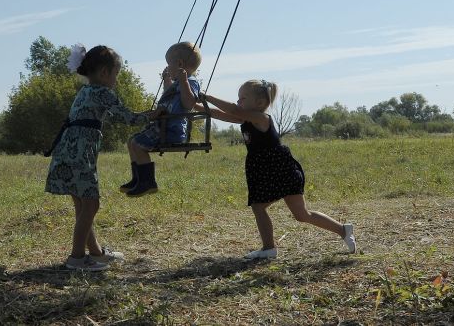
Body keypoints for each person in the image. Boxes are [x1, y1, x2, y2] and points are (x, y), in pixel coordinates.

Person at [201, 80, 356, 259]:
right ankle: (270, 248)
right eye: (238, 98)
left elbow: (234, 110)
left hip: (281, 170)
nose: (238, 101)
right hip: (265, 171)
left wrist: (207, 97)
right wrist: (195, 104)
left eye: (243, 98)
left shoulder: (262, 118)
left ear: (259, 103)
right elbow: (216, 113)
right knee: (262, 207)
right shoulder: (245, 118)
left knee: (300, 214)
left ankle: (342, 230)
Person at [45, 44, 159, 271]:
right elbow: (128, 118)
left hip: (67, 152)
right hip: (80, 156)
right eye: (116, 73)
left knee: (83, 206)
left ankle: (96, 253)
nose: (116, 79)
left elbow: (111, 117)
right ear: (105, 72)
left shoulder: (85, 91)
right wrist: (153, 115)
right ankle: (77, 258)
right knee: (91, 205)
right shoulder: (103, 92)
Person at [121, 41, 201, 197]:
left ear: (180, 64)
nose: (167, 68)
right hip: (161, 127)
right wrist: (167, 81)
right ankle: (137, 179)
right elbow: (169, 96)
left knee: (137, 144)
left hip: (172, 130)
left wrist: (184, 81)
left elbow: (189, 103)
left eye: (169, 64)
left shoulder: (190, 82)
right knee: (131, 142)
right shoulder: (177, 83)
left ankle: (148, 182)